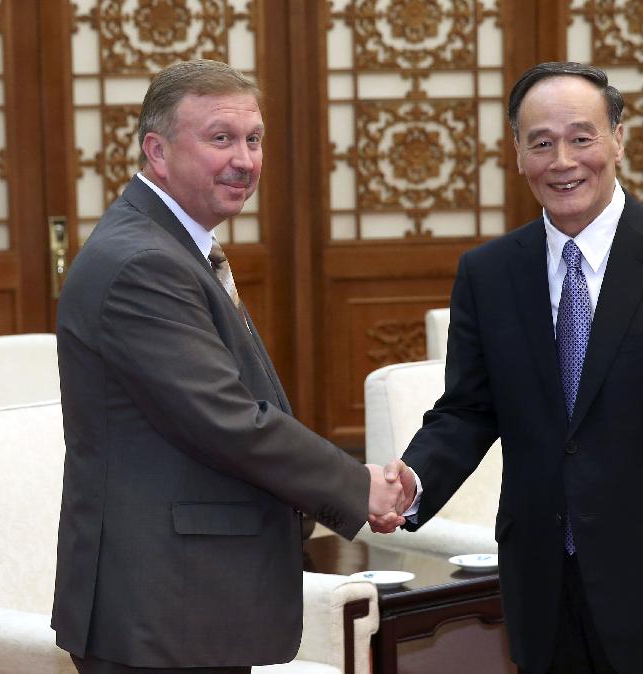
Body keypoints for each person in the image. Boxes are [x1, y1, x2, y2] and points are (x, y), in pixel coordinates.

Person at [374, 62, 643, 674]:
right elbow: (469, 410)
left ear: (618, 138)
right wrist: (415, 481)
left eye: (581, 137)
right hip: (542, 585)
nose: (562, 160)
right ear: (517, 154)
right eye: (541, 142)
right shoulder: (489, 273)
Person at [51, 59, 406, 674]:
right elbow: (227, 419)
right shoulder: (143, 262)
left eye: (254, 139)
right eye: (221, 139)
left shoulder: (171, 245)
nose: (245, 159)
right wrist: (356, 486)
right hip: (160, 609)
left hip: (185, 604)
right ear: (157, 153)